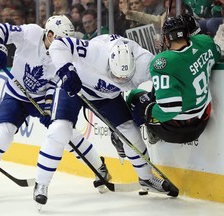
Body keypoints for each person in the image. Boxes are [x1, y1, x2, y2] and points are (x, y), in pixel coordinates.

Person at [0, 15, 110, 205]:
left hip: (41, 98)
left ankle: (98, 167)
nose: (64, 45)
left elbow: (54, 83)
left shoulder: (63, 55)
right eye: (60, 40)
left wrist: (48, 106)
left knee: (63, 132)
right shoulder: (31, 33)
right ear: (49, 34)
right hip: (15, 95)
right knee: (3, 134)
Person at [46, 33, 179, 200]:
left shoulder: (145, 62)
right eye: (117, 76)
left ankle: (146, 178)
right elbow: (58, 45)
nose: (121, 80)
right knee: (60, 128)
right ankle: (42, 183)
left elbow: (165, 77)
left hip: (107, 96)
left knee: (130, 130)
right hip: (80, 85)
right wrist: (67, 70)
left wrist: (153, 102)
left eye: (126, 77)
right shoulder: (96, 52)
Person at [126, 15, 221, 145]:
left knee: (136, 98)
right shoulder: (205, 42)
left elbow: (169, 109)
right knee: (158, 93)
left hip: (176, 130)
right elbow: (217, 53)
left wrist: (148, 112)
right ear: (188, 34)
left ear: (166, 38)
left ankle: (139, 136)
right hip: (202, 121)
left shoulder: (163, 62)